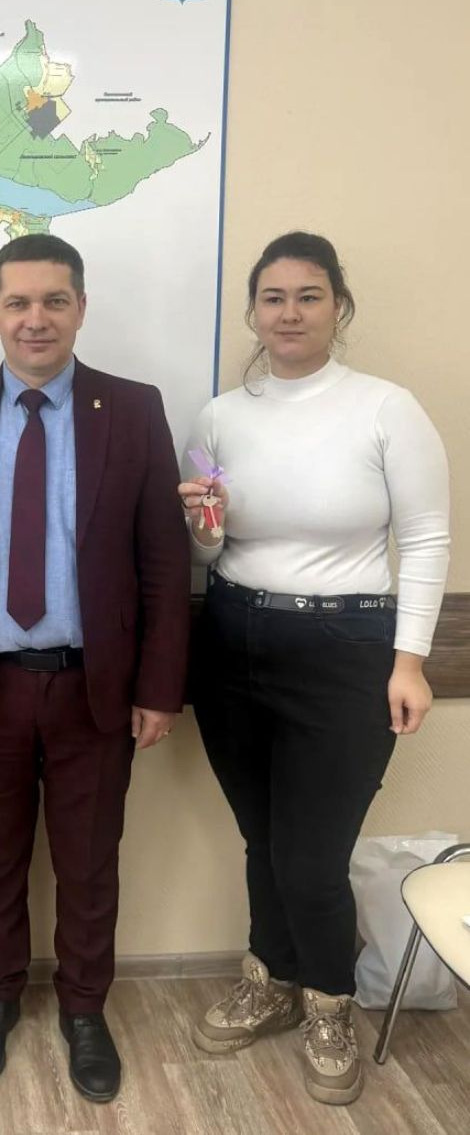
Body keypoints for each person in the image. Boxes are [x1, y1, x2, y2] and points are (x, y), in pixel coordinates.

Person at [0, 233, 191, 1102]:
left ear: (80, 308)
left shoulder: (133, 409)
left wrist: (159, 688)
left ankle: (83, 1008)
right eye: (19, 302)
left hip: (93, 687)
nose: (36, 319)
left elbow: (163, 560)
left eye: (54, 300)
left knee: (89, 862)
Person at [179, 232, 450, 1105]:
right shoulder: (220, 416)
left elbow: (428, 538)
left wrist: (410, 661)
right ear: (252, 311)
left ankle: (330, 999)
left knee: (312, 853)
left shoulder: (385, 409)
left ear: (339, 305)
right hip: (231, 637)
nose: (289, 312)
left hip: (347, 648)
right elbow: (209, 547)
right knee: (263, 837)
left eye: (309, 295)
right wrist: (205, 526)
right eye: (274, 297)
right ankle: (272, 977)